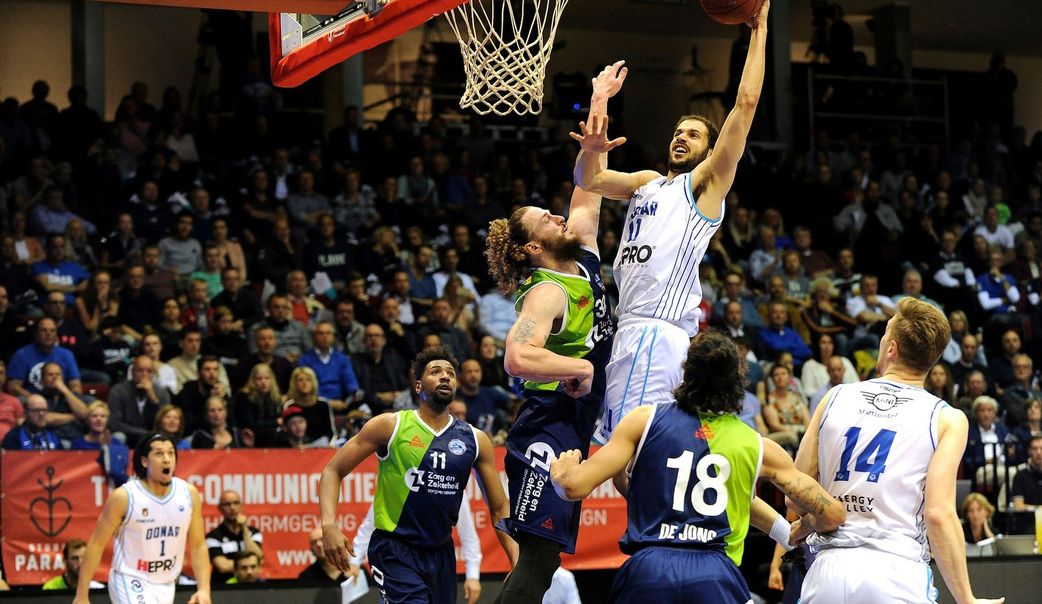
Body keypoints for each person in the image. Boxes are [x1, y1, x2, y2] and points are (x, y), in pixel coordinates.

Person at [575, 0, 769, 444]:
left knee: (627, 449)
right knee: (632, 450)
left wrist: (757, 30)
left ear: (709, 150)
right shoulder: (648, 181)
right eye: (678, 131)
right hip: (632, 328)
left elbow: (746, 103)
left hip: (655, 331)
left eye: (694, 134)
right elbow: (590, 178)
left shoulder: (703, 187)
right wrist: (597, 106)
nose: (682, 137)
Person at [549, 331, 844, 604]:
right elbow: (831, 513)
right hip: (714, 571)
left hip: (649, 569)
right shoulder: (757, 445)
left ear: (685, 373)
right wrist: (795, 529)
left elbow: (575, 486)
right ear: (738, 381)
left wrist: (562, 471)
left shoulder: (644, 421)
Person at [481, 63, 623, 604]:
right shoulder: (546, 291)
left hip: (587, 417)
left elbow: (587, 190)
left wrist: (598, 106)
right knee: (539, 561)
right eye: (545, 217)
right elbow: (517, 357)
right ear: (530, 248)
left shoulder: (581, 254)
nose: (557, 216)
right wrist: (581, 366)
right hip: (548, 424)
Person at [793, 298, 1004, 604]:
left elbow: (794, 493)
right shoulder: (947, 418)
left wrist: (817, 519)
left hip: (828, 570)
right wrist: (966, 599)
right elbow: (938, 514)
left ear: (891, 348)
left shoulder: (835, 397)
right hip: (897, 569)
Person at [318, 347, 516, 603]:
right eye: (436, 372)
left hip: (441, 553)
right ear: (419, 386)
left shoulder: (475, 440)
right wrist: (328, 525)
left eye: (451, 374)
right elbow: (333, 470)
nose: (445, 377)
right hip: (394, 548)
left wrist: (516, 558)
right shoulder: (390, 425)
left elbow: (499, 507)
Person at [74, 432, 212, 604]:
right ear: (145, 461)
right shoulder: (124, 497)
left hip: (166, 583)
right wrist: (81, 595)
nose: (167, 459)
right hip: (129, 578)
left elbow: (198, 545)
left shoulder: (188, 494)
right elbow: (96, 544)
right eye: (159, 453)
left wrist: (204, 589)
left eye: (171, 453)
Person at [206, 490, 264, 584]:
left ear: (241, 506)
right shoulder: (213, 537)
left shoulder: (253, 532)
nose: (232, 507)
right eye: (227, 504)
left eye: (236, 503)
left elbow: (258, 559)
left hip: (250, 586)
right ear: (220, 508)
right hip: (222, 588)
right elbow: (222, 566)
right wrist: (249, 565)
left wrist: (244, 529)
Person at [70, 400, 130, 487]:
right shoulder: (77, 443)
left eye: (103, 416)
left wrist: (108, 447)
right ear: (87, 420)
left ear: (107, 420)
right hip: (84, 486)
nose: (99, 419)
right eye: (94, 416)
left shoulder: (116, 443)